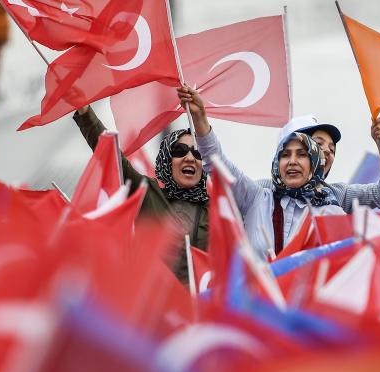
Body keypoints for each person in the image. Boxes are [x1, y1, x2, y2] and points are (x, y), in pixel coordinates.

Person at [177, 86, 346, 256]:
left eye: (302, 155)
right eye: (285, 155)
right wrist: (200, 117)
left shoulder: (332, 214)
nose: (292, 162)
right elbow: (216, 161)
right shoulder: (256, 199)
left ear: (315, 163)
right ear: (277, 164)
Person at [71, 105, 208, 283]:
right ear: (168, 161)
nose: (189, 157)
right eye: (180, 151)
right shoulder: (149, 192)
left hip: (203, 306)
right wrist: (86, 113)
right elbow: (113, 158)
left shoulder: (218, 210)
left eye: (196, 153)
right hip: (154, 303)